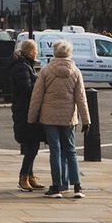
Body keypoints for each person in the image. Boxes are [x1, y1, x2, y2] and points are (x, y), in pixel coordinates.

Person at [27, 38, 90, 197]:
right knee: (71, 151)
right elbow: (81, 98)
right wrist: (86, 120)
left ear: (54, 52)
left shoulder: (46, 71)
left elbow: (37, 96)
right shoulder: (75, 71)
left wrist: (31, 118)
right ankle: (76, 186)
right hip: (69, 116)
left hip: (49, 116)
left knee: (55, 150)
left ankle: (56, 186)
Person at [10, 37, 44, 190]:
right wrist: (39, 84)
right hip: (25, 110)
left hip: (28, 109)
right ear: (30, 52)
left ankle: (30, 176)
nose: (37, 53)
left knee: (33, 144)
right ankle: (23, 176)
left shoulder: (26, 66)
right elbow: (26, 89)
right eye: (36, 50)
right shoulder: (22, 67)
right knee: (31, 146)